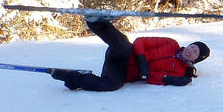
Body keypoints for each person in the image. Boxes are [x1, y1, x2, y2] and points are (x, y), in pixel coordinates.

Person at [50, 17, 210, 91]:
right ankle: (96, 21)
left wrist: (169, 80)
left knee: (111, 85)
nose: (191, 50)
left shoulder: (180, 71)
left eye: (195, 52)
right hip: (122, 53)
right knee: (124, 44)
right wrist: (141, 58)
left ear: (196, 60)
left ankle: (71, 78)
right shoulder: (171, 43)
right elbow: (141, 41)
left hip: (122, 73)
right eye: (193, 46)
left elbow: (151, 78)